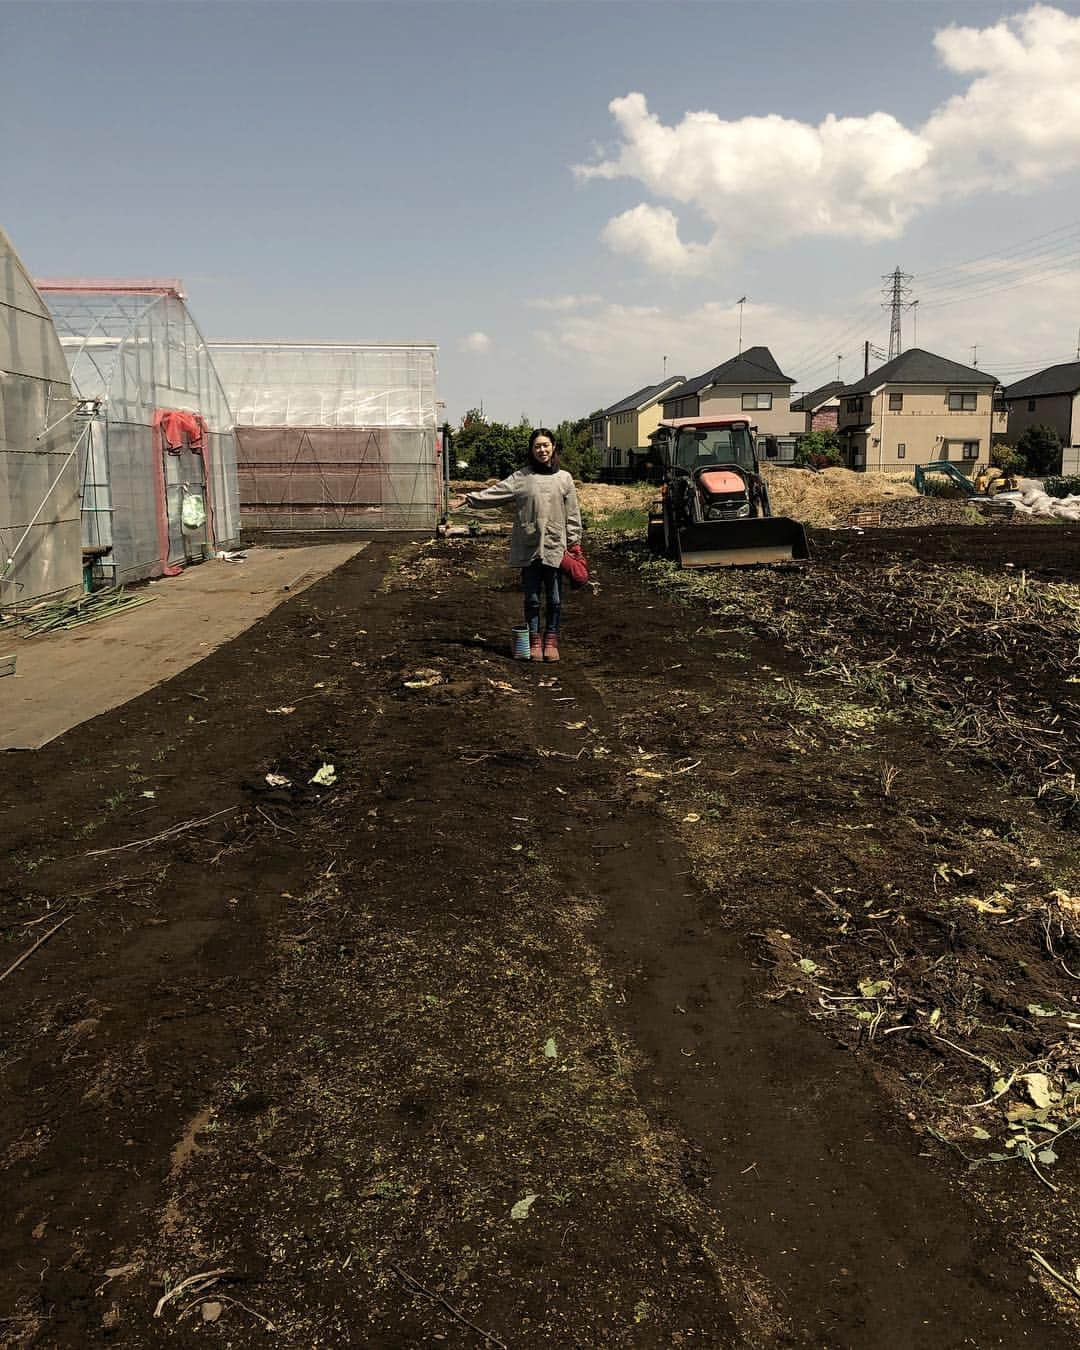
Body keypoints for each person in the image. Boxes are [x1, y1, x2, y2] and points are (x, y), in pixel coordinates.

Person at [449, 428, 582, 662]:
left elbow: (573, 515)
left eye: (546, 445)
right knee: (531, 598)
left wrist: (574, 544)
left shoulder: (565, 478)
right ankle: (534, 640)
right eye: (537, 446)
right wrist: (470, 498)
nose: (542, 449)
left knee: (554, 598)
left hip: (554, 546)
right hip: (529, 545)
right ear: (532, 451)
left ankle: (551, 639)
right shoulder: (522, 478)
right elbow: (496, 492)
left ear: (553, 448)